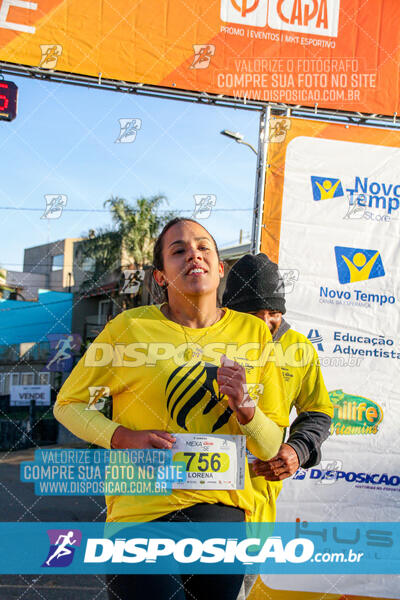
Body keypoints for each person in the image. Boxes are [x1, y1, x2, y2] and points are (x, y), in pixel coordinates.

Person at [54, 219, 288, 600]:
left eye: (203, 247)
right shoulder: (127, 328)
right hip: (139, 512)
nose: (193, 254)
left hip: (220, 511)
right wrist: (122, 437)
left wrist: (245, 407)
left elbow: (269, 444)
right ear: (161, 276)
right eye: (178, 250)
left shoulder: (255, 333)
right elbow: (68, 404)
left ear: (220, 268)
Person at [222, 253, 333, 599]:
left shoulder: (299, 349)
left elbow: (318, 412)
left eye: (275, 312)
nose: (267, 322)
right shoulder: (205, 339)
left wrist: (298, 450)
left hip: (256, 509)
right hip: (194, 502)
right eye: (256, 314)